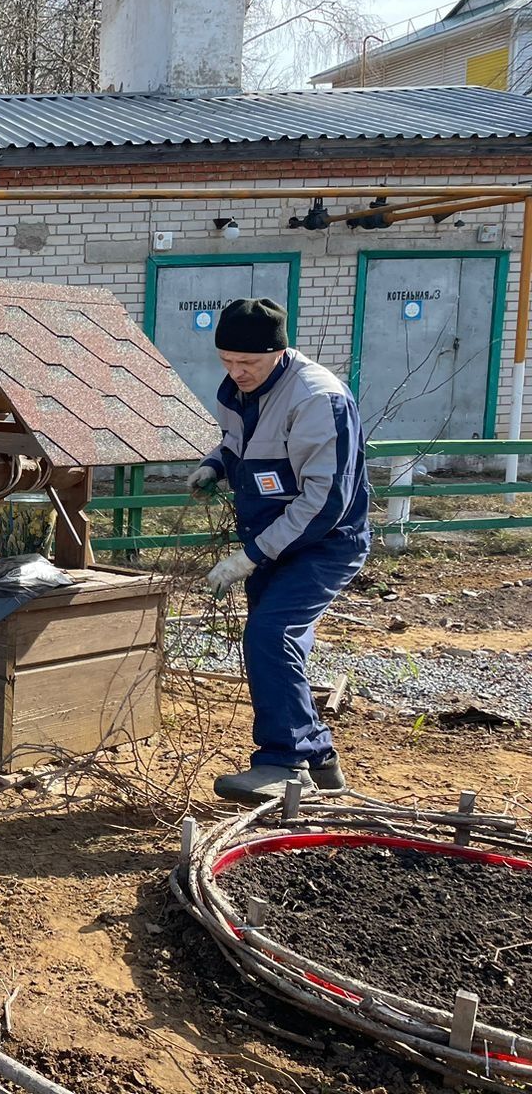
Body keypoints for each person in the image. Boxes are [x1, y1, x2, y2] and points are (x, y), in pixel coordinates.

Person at [189, 298, 371, 806]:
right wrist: (215, 465)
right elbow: (237, 440)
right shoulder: (235, 390)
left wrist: (251, 556)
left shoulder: (317, 398)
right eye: (226, 360)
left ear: (280, 352)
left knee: (270, 635)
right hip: (269, 538)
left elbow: (325, 500)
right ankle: (320, 762)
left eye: (248, 363)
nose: (236, 372)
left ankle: (282, 761)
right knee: (278, 646)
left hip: (323, 544)